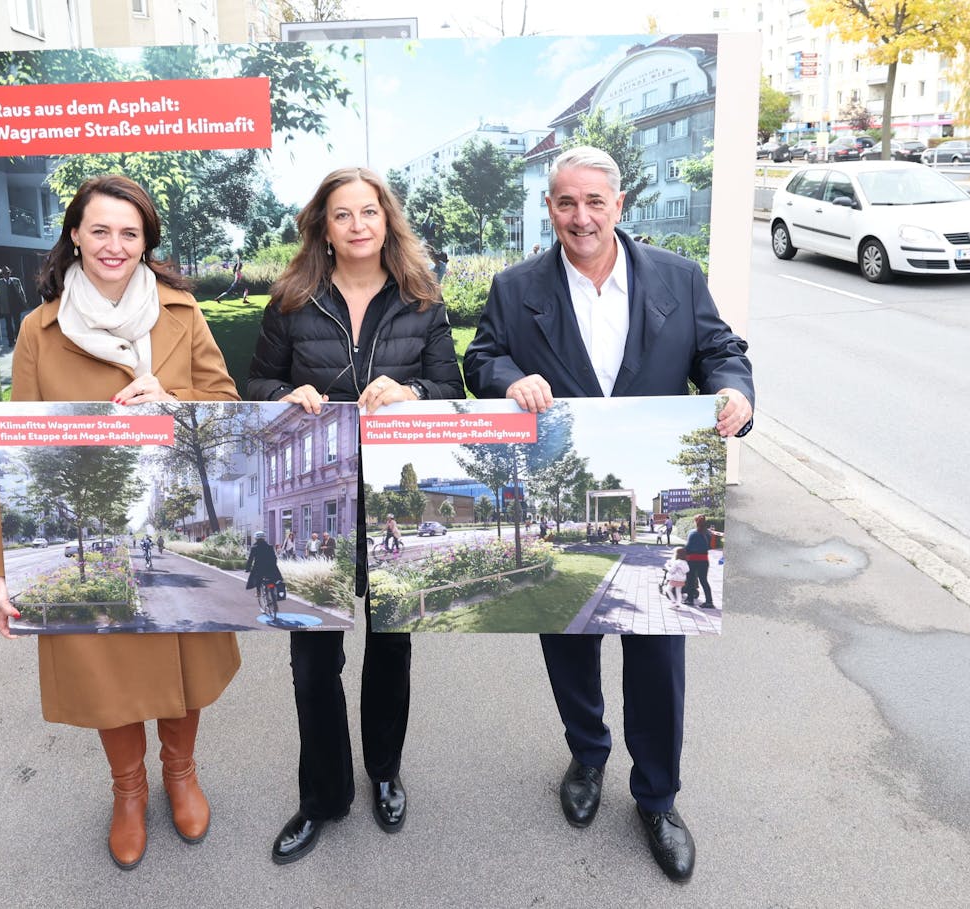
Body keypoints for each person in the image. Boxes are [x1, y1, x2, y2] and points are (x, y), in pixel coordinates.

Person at [462, 146, 753, 884]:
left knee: (658, 654)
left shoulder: (678, 279)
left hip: (656, 496)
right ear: (550, 208)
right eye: (566, 203)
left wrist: (734, 393)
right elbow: (480, 358)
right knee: (567, 630)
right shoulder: (516, 286)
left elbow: (721, 351)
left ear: (620, 204)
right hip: (567, 495)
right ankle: (587, 754)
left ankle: (656, 796)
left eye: (595, 201)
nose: (580, 217)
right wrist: (507, 377)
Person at [0, 174, 241, 872]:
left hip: (171, 524)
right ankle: (128, 790)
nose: (114, 245)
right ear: (74, 234)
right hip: (86, 536)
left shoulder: (181, 315)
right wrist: (2, 566)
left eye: (129, 233)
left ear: (146, 243)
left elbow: (226, 406)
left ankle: (180, 773)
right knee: (107, 669)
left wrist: (173, 396)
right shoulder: (39, 333)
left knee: (183, 659)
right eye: (99, 230)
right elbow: (20, 456)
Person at [245, 166, 464, 864]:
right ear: (324, 226)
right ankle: (322, 796)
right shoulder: (292, 301)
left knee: (391, 650)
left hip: (390, 501)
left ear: (386, 220)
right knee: (312, 660)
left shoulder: (422, 301)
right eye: (343, 214)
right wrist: (291, 393)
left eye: (369, 211)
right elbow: (257, 384)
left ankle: (385, 773)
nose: (358, 224)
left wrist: (412, 391)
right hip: (320, 507)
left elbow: (450, 389)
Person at [683, 515, 722, 609]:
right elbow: (710, 546)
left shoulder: (692, 532)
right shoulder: (708, 533)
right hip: (704, 560)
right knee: (704, 580)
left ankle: (690, 599)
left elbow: (687, 547)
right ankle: (709, 602)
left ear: (695, 522)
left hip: (692, 559)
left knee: (691, 580)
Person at [244, 530, 282, 601]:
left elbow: (250, 559)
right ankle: (275, 590)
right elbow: (274, 558)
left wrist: (247, 568)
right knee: (276, 578)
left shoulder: (254, 547)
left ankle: (258, 592)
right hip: (271, 568)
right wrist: (273, 565)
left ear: (256, 539)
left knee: (258, 578)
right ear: (264, 538)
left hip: (259, 568)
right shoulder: (270, 546)